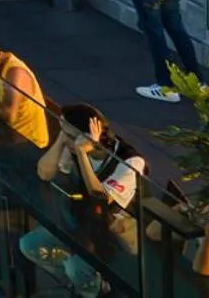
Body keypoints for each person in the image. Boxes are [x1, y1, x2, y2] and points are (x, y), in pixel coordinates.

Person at [19, 104, 145, 298]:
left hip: (114, 232)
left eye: (69, 134)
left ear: (89, 136)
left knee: (76, 267)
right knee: (29, 245)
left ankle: (97, 290)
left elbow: (101, 197)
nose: (65, 139)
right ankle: (82, 284)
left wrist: (81, 154)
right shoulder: (72, 145)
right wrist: (62, 139)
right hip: (81, 222)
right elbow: (44, 173)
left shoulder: (131, 162)